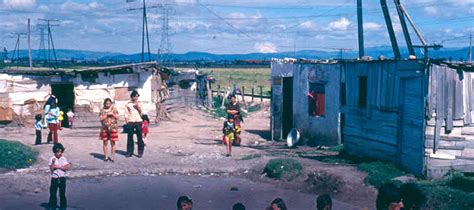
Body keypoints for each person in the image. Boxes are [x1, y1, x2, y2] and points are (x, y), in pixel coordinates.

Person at [48, 143, 71, 209]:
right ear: (55, 152)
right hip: (54, 178)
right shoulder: (52, 158)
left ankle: (63, 207)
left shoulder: (63, 158)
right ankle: (52, 207)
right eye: (58, 152)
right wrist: (53, 163)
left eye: (61, 152)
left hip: (62, 178)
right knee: (53, 194)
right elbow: (51, 169)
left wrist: (58, 166)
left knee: (62, 194)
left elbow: (66, 167)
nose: (59, 153)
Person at [124, 90, 144, 158]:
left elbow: (142, 113)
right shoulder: (128, 104)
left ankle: (140, 152)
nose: (136, 98)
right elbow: (126, 113)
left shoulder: (141, 103)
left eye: (137, 96)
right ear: (132, 97)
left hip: (138, 121)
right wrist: (127, 121)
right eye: (135, 96)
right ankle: (129, 152)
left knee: (139, 137)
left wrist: (138, 107)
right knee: (130, 137)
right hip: (131, 121)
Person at [99, 98, 120, 162]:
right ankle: (106, 157)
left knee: (113, 142)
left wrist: (112, 114)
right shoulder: (102, 110)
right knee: (105, 142)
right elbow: (101, 119)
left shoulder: (114, 109)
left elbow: (117, 117)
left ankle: (112, 157)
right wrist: (106, 115)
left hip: (113, 128)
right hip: (105, 128)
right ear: (104, 103)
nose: (108, 104)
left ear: (111, 103)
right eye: (106, 103)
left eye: (109, 103)